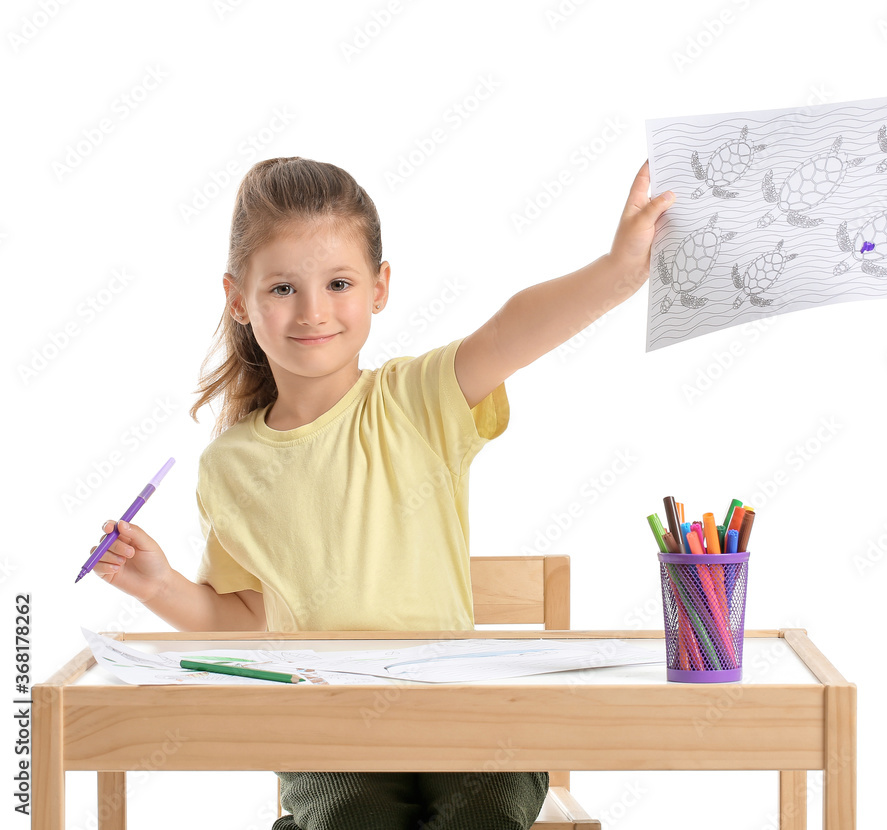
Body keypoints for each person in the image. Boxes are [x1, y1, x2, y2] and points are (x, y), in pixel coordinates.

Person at [89, 156, 675, 830]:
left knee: (489, 802)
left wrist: (619, 272)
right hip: (325, 728)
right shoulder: (230, 465)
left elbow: (512, 329)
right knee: (352, 817)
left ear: (379, 288)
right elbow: (252, 621)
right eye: (283, 288)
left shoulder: (415, 400)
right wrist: (157, 584)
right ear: (238, 299)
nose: (313, 311)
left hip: (458, 711)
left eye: (338, 282)